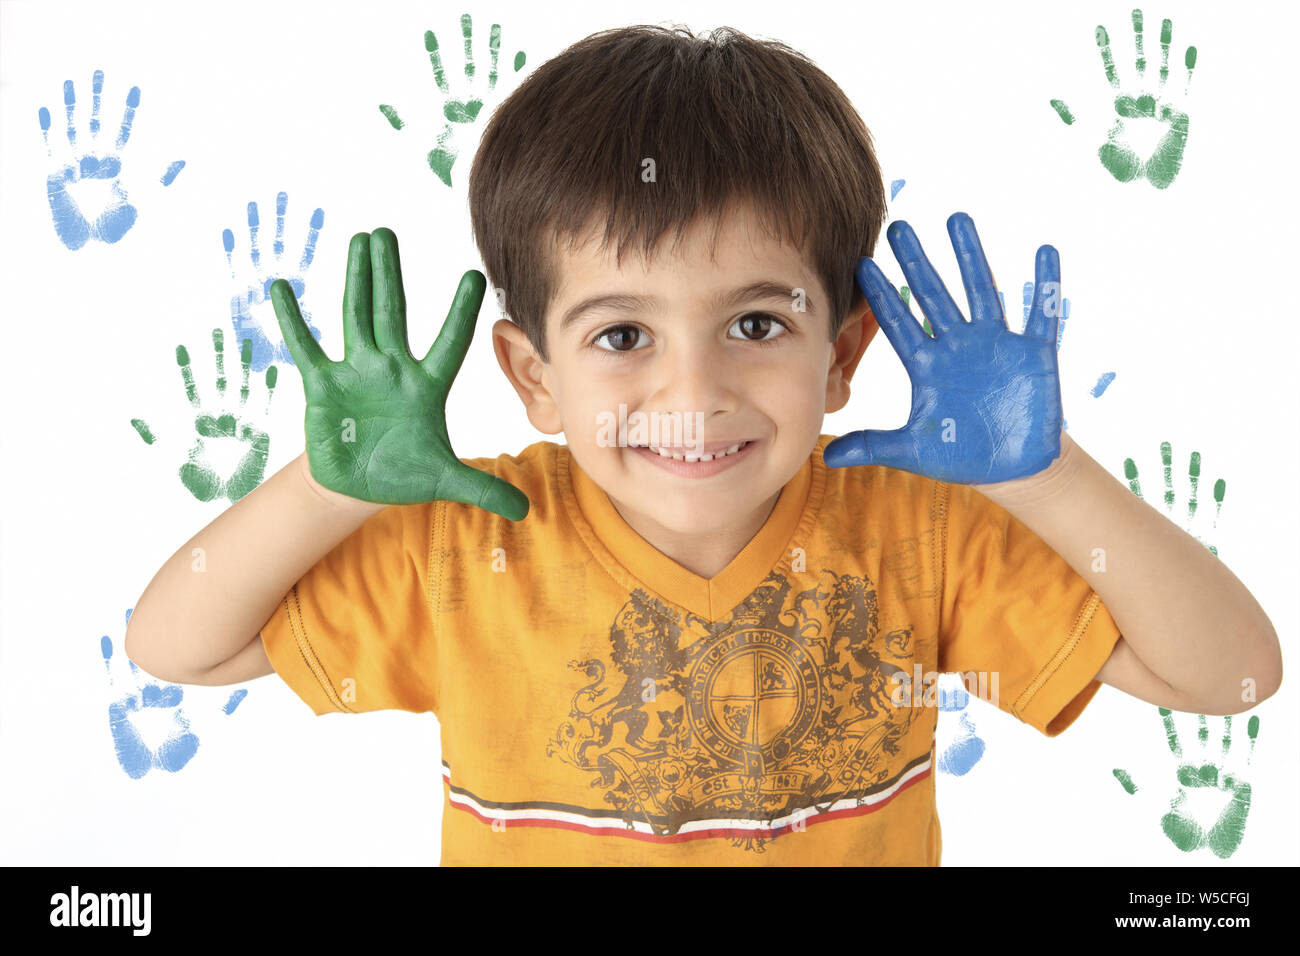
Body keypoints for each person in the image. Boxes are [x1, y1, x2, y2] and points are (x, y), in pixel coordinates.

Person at [124, 24, 1280, 865]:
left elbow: (1229, 672)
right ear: (533, 375)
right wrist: (325, 492)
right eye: (622, 332)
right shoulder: (466, 543)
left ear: (842, 353)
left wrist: (1048, 478)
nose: (696, 386)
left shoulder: (924, 534)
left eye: (756, 323)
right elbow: (176, 645)